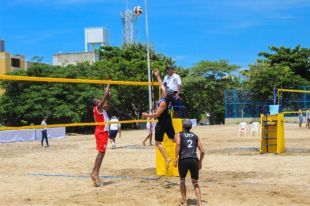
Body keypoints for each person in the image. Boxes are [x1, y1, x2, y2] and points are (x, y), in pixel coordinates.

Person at [142, 68, 175, 170]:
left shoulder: (163, 103)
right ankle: (185, 146)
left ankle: (167, 159)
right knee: (173, 139)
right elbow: (161, 84)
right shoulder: (168, 97)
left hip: (162, 122)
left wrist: (147, 115)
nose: (163, 89)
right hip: (168, 120)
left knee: (157, 142)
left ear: (166, 94)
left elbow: (156, 115)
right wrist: (157, 75)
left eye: (165, 90)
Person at [174, 119, 205, 206]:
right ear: (191, 127)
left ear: (183, 126)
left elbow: (178, 144)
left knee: (182, 180)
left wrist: (176, 157)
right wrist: (200, 162)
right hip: (194, 160)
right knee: (195, 182)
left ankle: (185, 202)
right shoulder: (195, 136)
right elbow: (202, 151)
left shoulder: (179, 134)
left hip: (183, 160)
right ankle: (199, 202)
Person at [91, 86, 110, 187]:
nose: (100, 102)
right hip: (101, 132)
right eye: (98, 101)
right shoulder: (98, 108)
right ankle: (95, 173)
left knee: (101, 153)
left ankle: (94, 172)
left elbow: (107, 104)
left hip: (103, 131)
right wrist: (105, 93)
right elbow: (104, 101)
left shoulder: (101, 109)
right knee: (101, 153)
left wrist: (108, 96)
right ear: (96, 104)